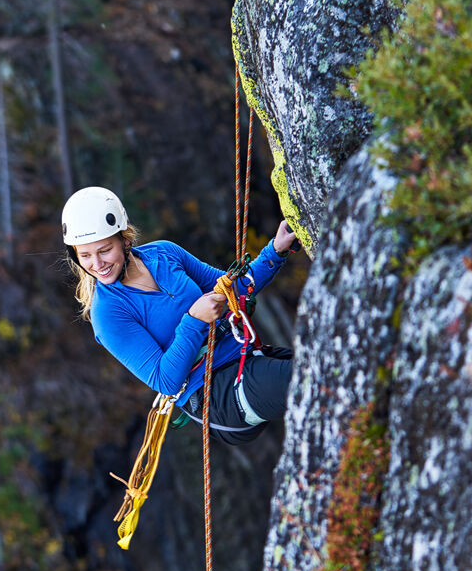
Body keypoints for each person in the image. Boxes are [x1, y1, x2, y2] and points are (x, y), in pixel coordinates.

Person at [62, 186, 298, 445]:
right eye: (85, 255)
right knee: (315, 381)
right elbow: (166, 381)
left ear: (125, 239)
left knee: (329, 364)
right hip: (216, 396)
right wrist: (194, 319)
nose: (97, 264)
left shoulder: (163, 253)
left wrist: (275, 251)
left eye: (104, 250)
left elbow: (231, 289)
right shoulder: (108, 314)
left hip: (246, 358)